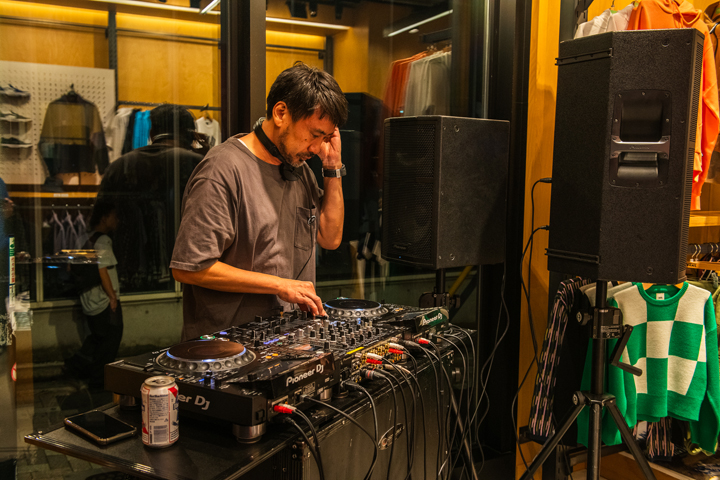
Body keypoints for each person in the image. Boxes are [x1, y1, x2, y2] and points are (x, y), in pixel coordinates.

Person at [171, 62, 349, 341]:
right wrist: (279, 285)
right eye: (315, 135)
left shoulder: (299, 169)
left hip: (287, 341)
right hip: (227, 348)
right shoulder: (222, 170)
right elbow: (189, 268)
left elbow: (330, 238)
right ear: (281, 113)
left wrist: (332, 167)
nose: (316, 148)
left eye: (325, 137)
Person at [99, 104, 203, 291]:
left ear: (152, 132)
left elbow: (100, 224)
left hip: (130, 270)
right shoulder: (199, 165)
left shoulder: (119, 166)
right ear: (189, 134)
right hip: (189, 271)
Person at [63, 199, 122, 388]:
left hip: (88, 298)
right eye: (114, 216)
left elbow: (70, 266)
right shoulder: (103, 241)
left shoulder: (83, 238)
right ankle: (98, 380)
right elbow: (103, 270)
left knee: (97, 336)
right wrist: (112, 297)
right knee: (110, 339)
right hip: (103, 300)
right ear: (104, 218)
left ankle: (76, 367)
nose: (117, 220)